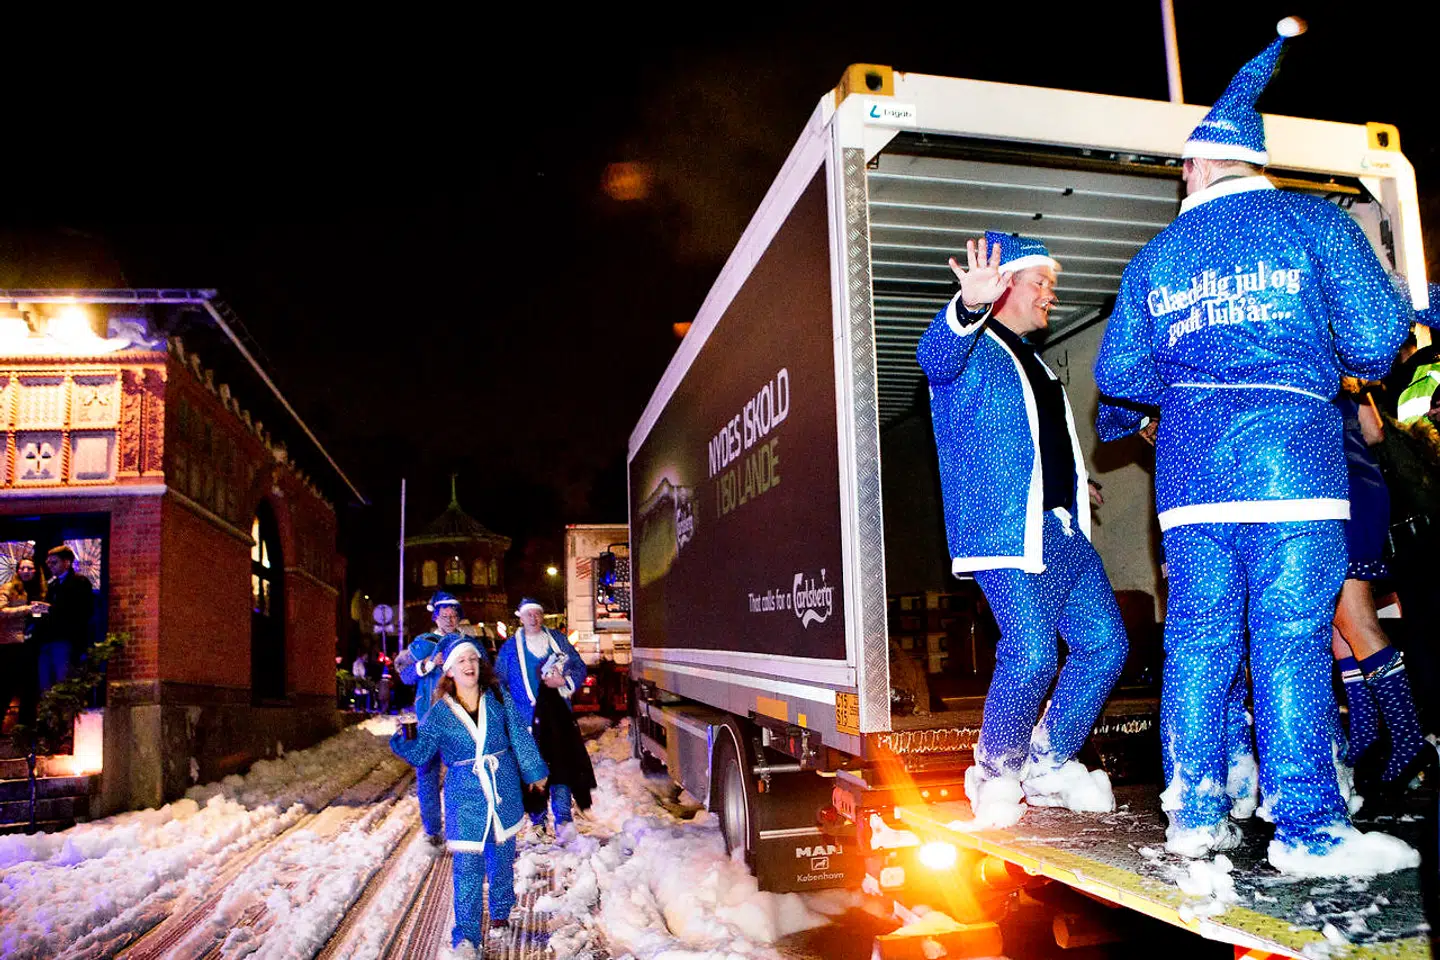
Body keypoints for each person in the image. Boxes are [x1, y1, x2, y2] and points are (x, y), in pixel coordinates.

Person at [1094, 19, 1418, 875]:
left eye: (1182, 166)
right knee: (1290, 638)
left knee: (1198, 640)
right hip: (1294, 473)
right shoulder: (1315, 225)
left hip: (1193, 487)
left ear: (1202, 164)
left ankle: (1194, 813)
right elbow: (1380, 341)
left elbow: (1119, 381)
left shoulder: (1157, 256)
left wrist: (1160, 406)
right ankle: (1307, 828)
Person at [916, 230, 1128, 826]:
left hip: (1060, 528)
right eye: (1043, 283)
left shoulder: (1035, 361)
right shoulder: (973, 348)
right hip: (1004, 531)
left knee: (1105, 646)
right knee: (1033, 651)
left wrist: (1069, 483)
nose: (1050, 297)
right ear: (1006, 282)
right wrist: (968, 306)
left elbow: (1037, 439)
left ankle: (1049, 762)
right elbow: (933, 354)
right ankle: (994, 770)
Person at [390, 639, 547, 949]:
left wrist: (535, 772)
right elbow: (422, 753)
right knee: (467, 869)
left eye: (472, 659)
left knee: (502, 859)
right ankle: (466, 937)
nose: (468, 665)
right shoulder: (438, 714)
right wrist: (402, 740)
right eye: (460, 661)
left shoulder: (499, 698)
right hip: (465, 798)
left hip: (502, 790)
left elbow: (519, 736)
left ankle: (501, 911)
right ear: (449, 671)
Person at [1330, 385, 1427, 800]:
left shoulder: (1294, 359)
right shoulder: (1346, 366)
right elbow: (1374, 431)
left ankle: (1409, 743)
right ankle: (1367, 739)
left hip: (1338, 492)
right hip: (1362, 484)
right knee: (1341, 630)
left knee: (1356, 622)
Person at [495, 598, 595, 837]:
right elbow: (499, 683)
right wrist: (507, 715)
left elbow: (579, 667)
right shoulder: (510, 648)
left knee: (561, 768)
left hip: (558, 719)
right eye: (528, 614)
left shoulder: (558, 641)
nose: (533, 619)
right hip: (526, 722)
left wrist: (564, 681)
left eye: (537, 614)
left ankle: (563, 821)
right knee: (533, 772)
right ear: (521, 617)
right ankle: (538, 821)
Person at [395, 590, 467, 843]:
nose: (449, 620)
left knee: (463, 775)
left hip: (460, 721)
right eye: (444, 615)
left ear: (459, 619)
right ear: (436, 618)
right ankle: (432, 830)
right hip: (428, 720)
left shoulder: (466, 645)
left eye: (453, 615)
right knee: (427, 774)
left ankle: (462, 826)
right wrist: (428, 664)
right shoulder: (422, 643)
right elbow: (404, 676)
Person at [34, 545, 94, 692]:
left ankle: (65, 714)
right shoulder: (52, 584)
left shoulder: (79, 582)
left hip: (66, 639)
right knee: (46, 684)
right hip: (47, 639)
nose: (50, 566)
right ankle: (50, 714)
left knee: (64, 683)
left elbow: (82, 612)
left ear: (67, 562)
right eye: (48, 563)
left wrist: (51, 609)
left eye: (54, 562)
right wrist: (37, 612)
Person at [0, 558, 45, 734]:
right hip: (10, 644)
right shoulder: (9, 588)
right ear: (17, 571)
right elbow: (1, 610)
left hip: (31, 645)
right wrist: (26, 610)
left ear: (35, 571)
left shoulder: (41, 590)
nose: (26, 571)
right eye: (22, 568)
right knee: (5, 688)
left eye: (30, 568)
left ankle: (25, 731)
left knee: (30, 689)